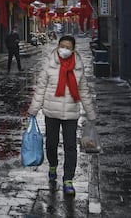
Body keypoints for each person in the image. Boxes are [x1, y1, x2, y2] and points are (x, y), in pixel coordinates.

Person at [27, 34, 97, 196]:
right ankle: (53, 165)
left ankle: (68, 180)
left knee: (70, 147)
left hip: (71, 114)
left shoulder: (78, 66)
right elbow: (41, 88)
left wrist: (90, 113)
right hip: (51, 111)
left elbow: (84, 91)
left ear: (73, 49)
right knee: (51, 144)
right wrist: (33, 110)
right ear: (58, 46)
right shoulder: (49, 64)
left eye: (68, 47)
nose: (64, 49)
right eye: (62, 46)